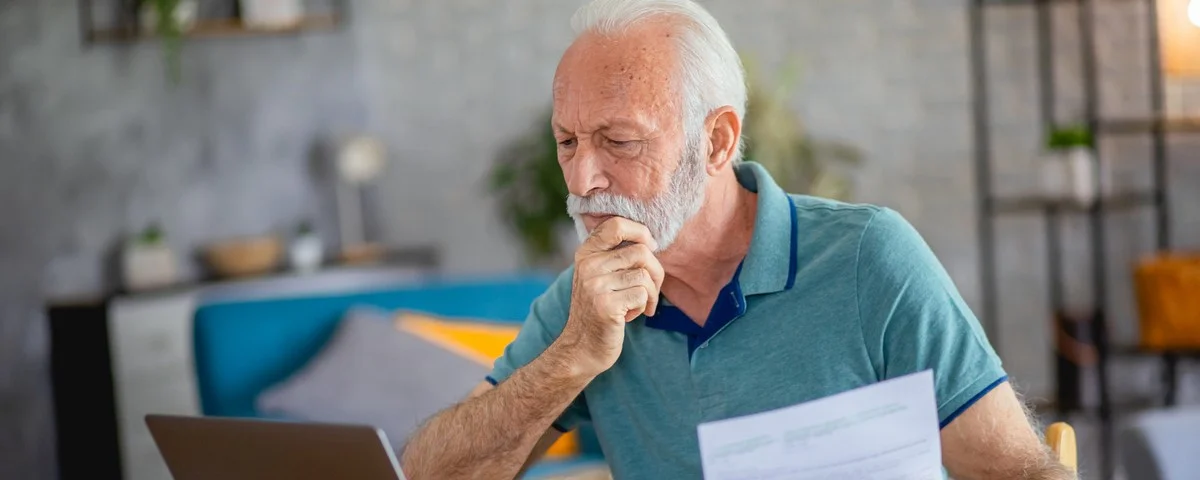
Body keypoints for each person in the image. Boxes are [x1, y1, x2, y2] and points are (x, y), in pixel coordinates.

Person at [401, 0, 1075, 479]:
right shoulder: (582, 304)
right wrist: (572, 356)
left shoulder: (869, 257)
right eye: (567, 141)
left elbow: (1017, 474)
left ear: (717, 140)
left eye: (619, 141)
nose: (583, 176)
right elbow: (427, 474)